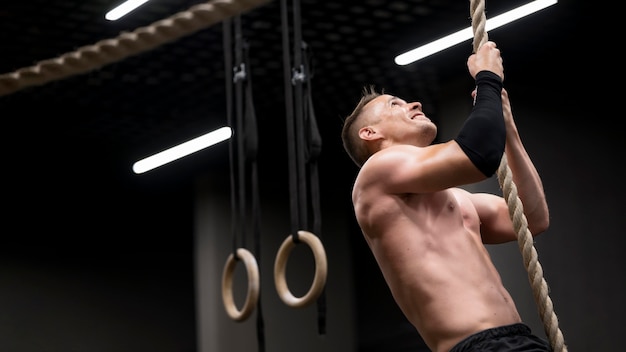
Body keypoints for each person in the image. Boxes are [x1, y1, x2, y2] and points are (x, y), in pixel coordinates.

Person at [341, 41, 552, 352]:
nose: (414, 104)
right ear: (370, 134)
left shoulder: (457, 198)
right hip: (476, 346)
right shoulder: (376, 173)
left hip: (516, 338)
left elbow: (532, 219)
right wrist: (487, 76)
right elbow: (478, 155)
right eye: (394, 105)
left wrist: (510, 133)